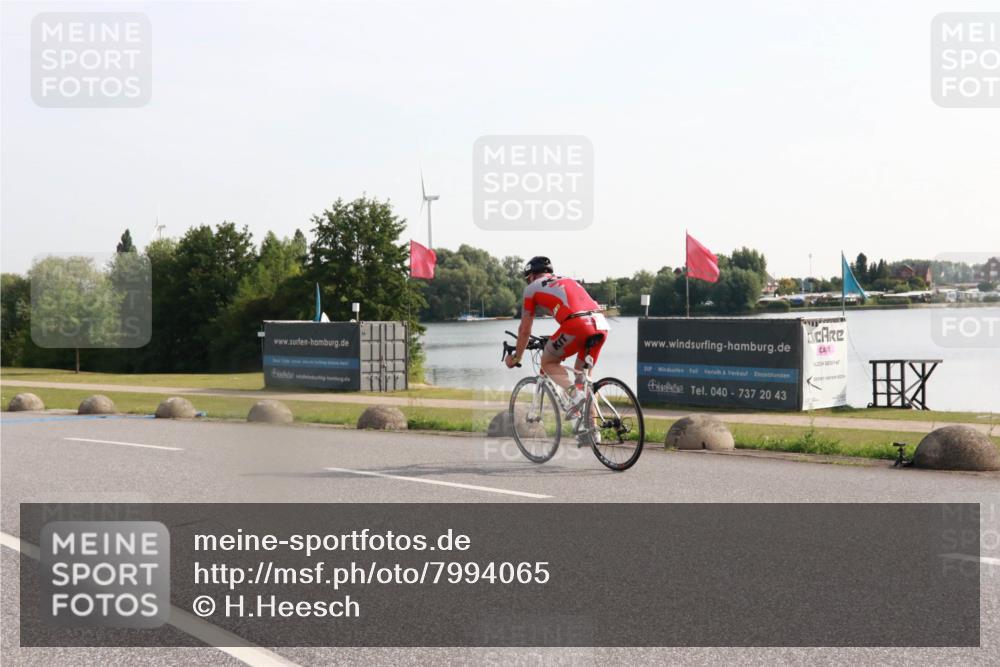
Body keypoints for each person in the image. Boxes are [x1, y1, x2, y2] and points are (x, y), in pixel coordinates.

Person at [505, 256, 609, 437]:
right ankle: (593, 432)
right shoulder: (567, 279)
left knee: (548, 361)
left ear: (531, 275)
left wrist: (516, 357)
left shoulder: (531, 288)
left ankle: (574, 396)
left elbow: (524, 330)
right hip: (600, 323)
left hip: (577, 324)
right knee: (583, 379)